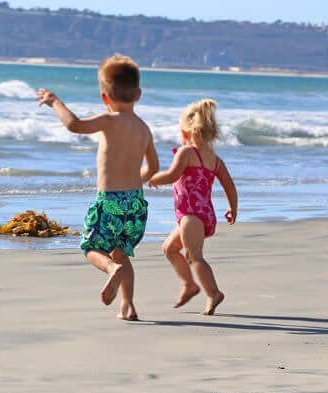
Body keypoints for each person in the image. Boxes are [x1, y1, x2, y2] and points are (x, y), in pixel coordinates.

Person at [36, 54, 159, 321]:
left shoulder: (109, 120)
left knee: (91, 247)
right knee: (122, 252)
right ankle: (128, 306)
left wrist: (55, 102)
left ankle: (110, 270)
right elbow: (153, 168)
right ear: (138, 94)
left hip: (110, 201)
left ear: (105, 97)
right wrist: (135, 180)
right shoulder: (144, 129)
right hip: (136, 204)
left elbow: (74, 125)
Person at [148, 98, 237, 315]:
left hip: (191, 215)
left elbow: (172, 175)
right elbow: (229, 186)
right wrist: (233, 208)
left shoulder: (186, 153)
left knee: (195, 256)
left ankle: (213, 293)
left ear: (186, 132)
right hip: (204, 214)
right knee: (169, 248)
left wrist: (153, 178)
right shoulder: (215, 160)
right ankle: (189, 285)